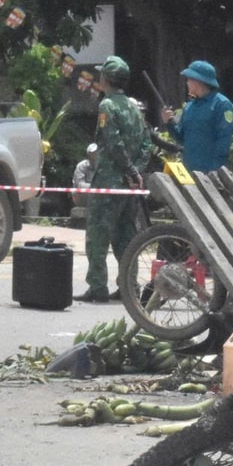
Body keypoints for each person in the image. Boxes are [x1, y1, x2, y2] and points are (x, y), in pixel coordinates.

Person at [79, 55, 150, 303]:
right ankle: (129, 287)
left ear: (106, 79)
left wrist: (129, 169)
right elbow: (146, 144)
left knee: (97, 235)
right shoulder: (134, 107)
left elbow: (113, 141)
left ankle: (97, 287)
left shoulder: (107, 106)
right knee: (125, 236)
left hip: (109, 181)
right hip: (129, 185)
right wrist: (136, 172)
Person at [163, 60, 233, 173]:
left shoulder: (221, 104)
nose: (187, 83)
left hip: (211, 175)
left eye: (189, 79)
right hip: (190, 173)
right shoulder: (190, 107)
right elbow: (181, 138)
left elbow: (223, 142)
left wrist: (215, 172)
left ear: (198, 81)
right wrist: (169, 123)